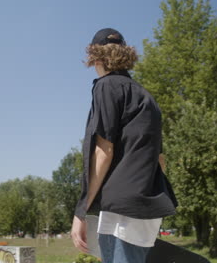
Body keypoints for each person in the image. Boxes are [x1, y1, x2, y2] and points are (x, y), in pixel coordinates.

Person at [71, 28, 178, 263]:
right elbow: (160, 160)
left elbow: (103, 151)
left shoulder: (106, 86)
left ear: (94, 57)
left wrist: (81, 211)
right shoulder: (144, 96)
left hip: (122, 210)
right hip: (146, 207)